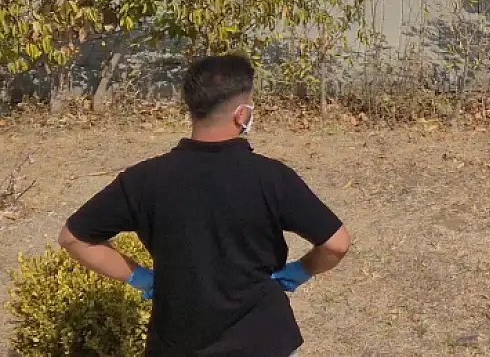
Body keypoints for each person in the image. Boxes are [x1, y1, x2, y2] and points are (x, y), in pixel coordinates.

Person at [59, 55, 350, 357]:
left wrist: (138, 276)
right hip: (262, 340)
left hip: (176, 344)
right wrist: (302, 269)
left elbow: (73, 237)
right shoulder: (272, 178)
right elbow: (336, 244)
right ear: (242, 114)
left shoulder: (143, 180)